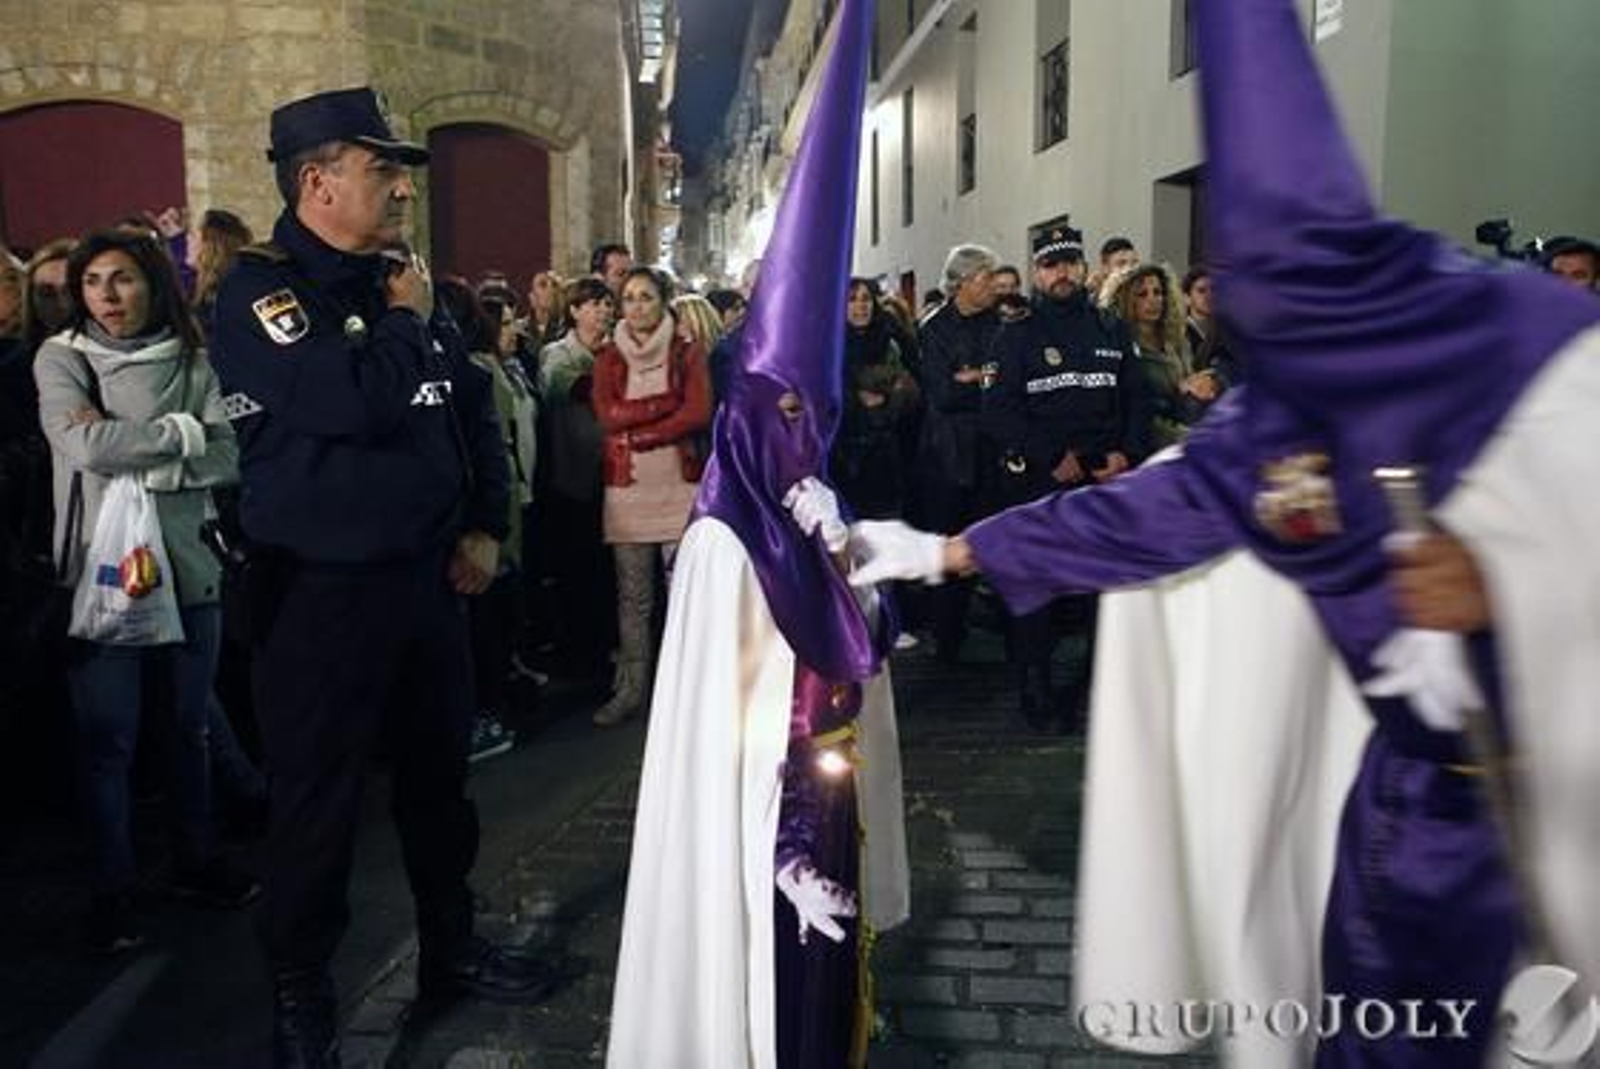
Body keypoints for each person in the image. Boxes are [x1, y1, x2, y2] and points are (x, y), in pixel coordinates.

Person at [847, 0, 1600, 1061]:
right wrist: (945, 551)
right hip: (1417, 809)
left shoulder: (1536, 339)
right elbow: (1139, 514)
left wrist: (1506, 581)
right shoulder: (1281, 412)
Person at [207, 86, 547, 1067]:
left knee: (441, 787)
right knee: (316, 807)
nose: (402, 187)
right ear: (317, 181)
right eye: (381, 167)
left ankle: (450, 946)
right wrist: (403, 321)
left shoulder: (402, 287)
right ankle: (302, 996)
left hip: (427, 586)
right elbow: (345, 402)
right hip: (320, 597)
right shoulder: (265, 296)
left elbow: (468, 409)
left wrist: (484, 524)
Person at [607, 4, 907, 1064]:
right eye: (785, 412)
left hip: (823, 796)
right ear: (741, 417)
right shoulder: (723, 544)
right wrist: (775, 844)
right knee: (768, 993)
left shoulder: (809, 506)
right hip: (762, 822)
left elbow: (872, 641)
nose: (803, 432)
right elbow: (727, 731)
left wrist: (850, 551)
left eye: (814, 413)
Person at [34, 227, 256, 952]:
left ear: (153, 284)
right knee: (109, 742)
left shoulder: (194, 359)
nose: (107, 295)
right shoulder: (63, 358)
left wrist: (153, 453)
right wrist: (182, 434)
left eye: (122, 278)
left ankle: (197, 860)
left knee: (188, 730)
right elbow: (82, 444)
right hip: (100, 577)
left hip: (188, 568)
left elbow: (230, 455)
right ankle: (114, 887)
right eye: (93, 281)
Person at [982, 226, 1142, 732]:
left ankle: (1100, 687)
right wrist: (1051, 457)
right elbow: (998, 411)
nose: (1062, 273)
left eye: (1070, 262)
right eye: (1051, 265)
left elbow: (1137, 399)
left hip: (1103, 480)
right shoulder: (1016, 334)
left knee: (1104, 593)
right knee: (1038, 590)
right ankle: (1036, 689)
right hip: (1041, 480)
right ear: (1037, 273)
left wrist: (1126, 452)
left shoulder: (1111, 328)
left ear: (1083, 267)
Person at [588, 266, 712, 727]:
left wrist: (641, 434)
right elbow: (608, 415)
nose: (637, 306)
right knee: (633, 599)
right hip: (627, 492)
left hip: (680, 487)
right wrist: (665, 405)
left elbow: (697, 411)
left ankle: (691, 693)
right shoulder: (607, 356)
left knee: (686, 595)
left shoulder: (686, 351)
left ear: (663, 302)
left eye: (646, 297)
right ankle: (632, 691)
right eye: (629, 298)